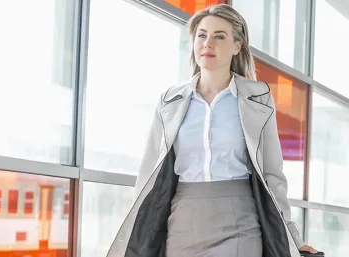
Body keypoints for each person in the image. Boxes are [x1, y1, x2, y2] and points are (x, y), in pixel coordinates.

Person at [107, 4, 318, 257]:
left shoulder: (257, 98)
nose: (208, 43)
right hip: (183, 221)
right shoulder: (169, 101)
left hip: (240, 219)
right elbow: (148, 173)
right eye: (202, 35)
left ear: (237, 46)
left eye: (220, 36)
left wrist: (292, 236)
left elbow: (273, 174)